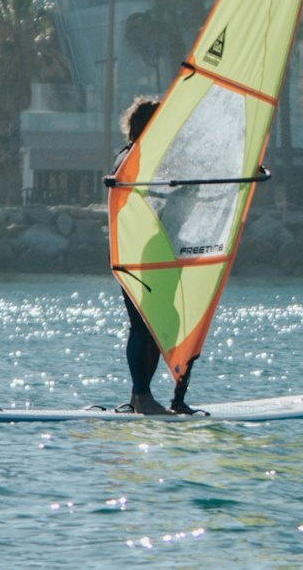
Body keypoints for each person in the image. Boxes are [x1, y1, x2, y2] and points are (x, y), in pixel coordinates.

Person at [110, 95, 202, 416]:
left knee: (169, 321)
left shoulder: (159, 159)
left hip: (163, 251)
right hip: (143, 251)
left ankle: (170, 398)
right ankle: (141, 396)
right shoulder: (132, 157)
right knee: (143, 325)